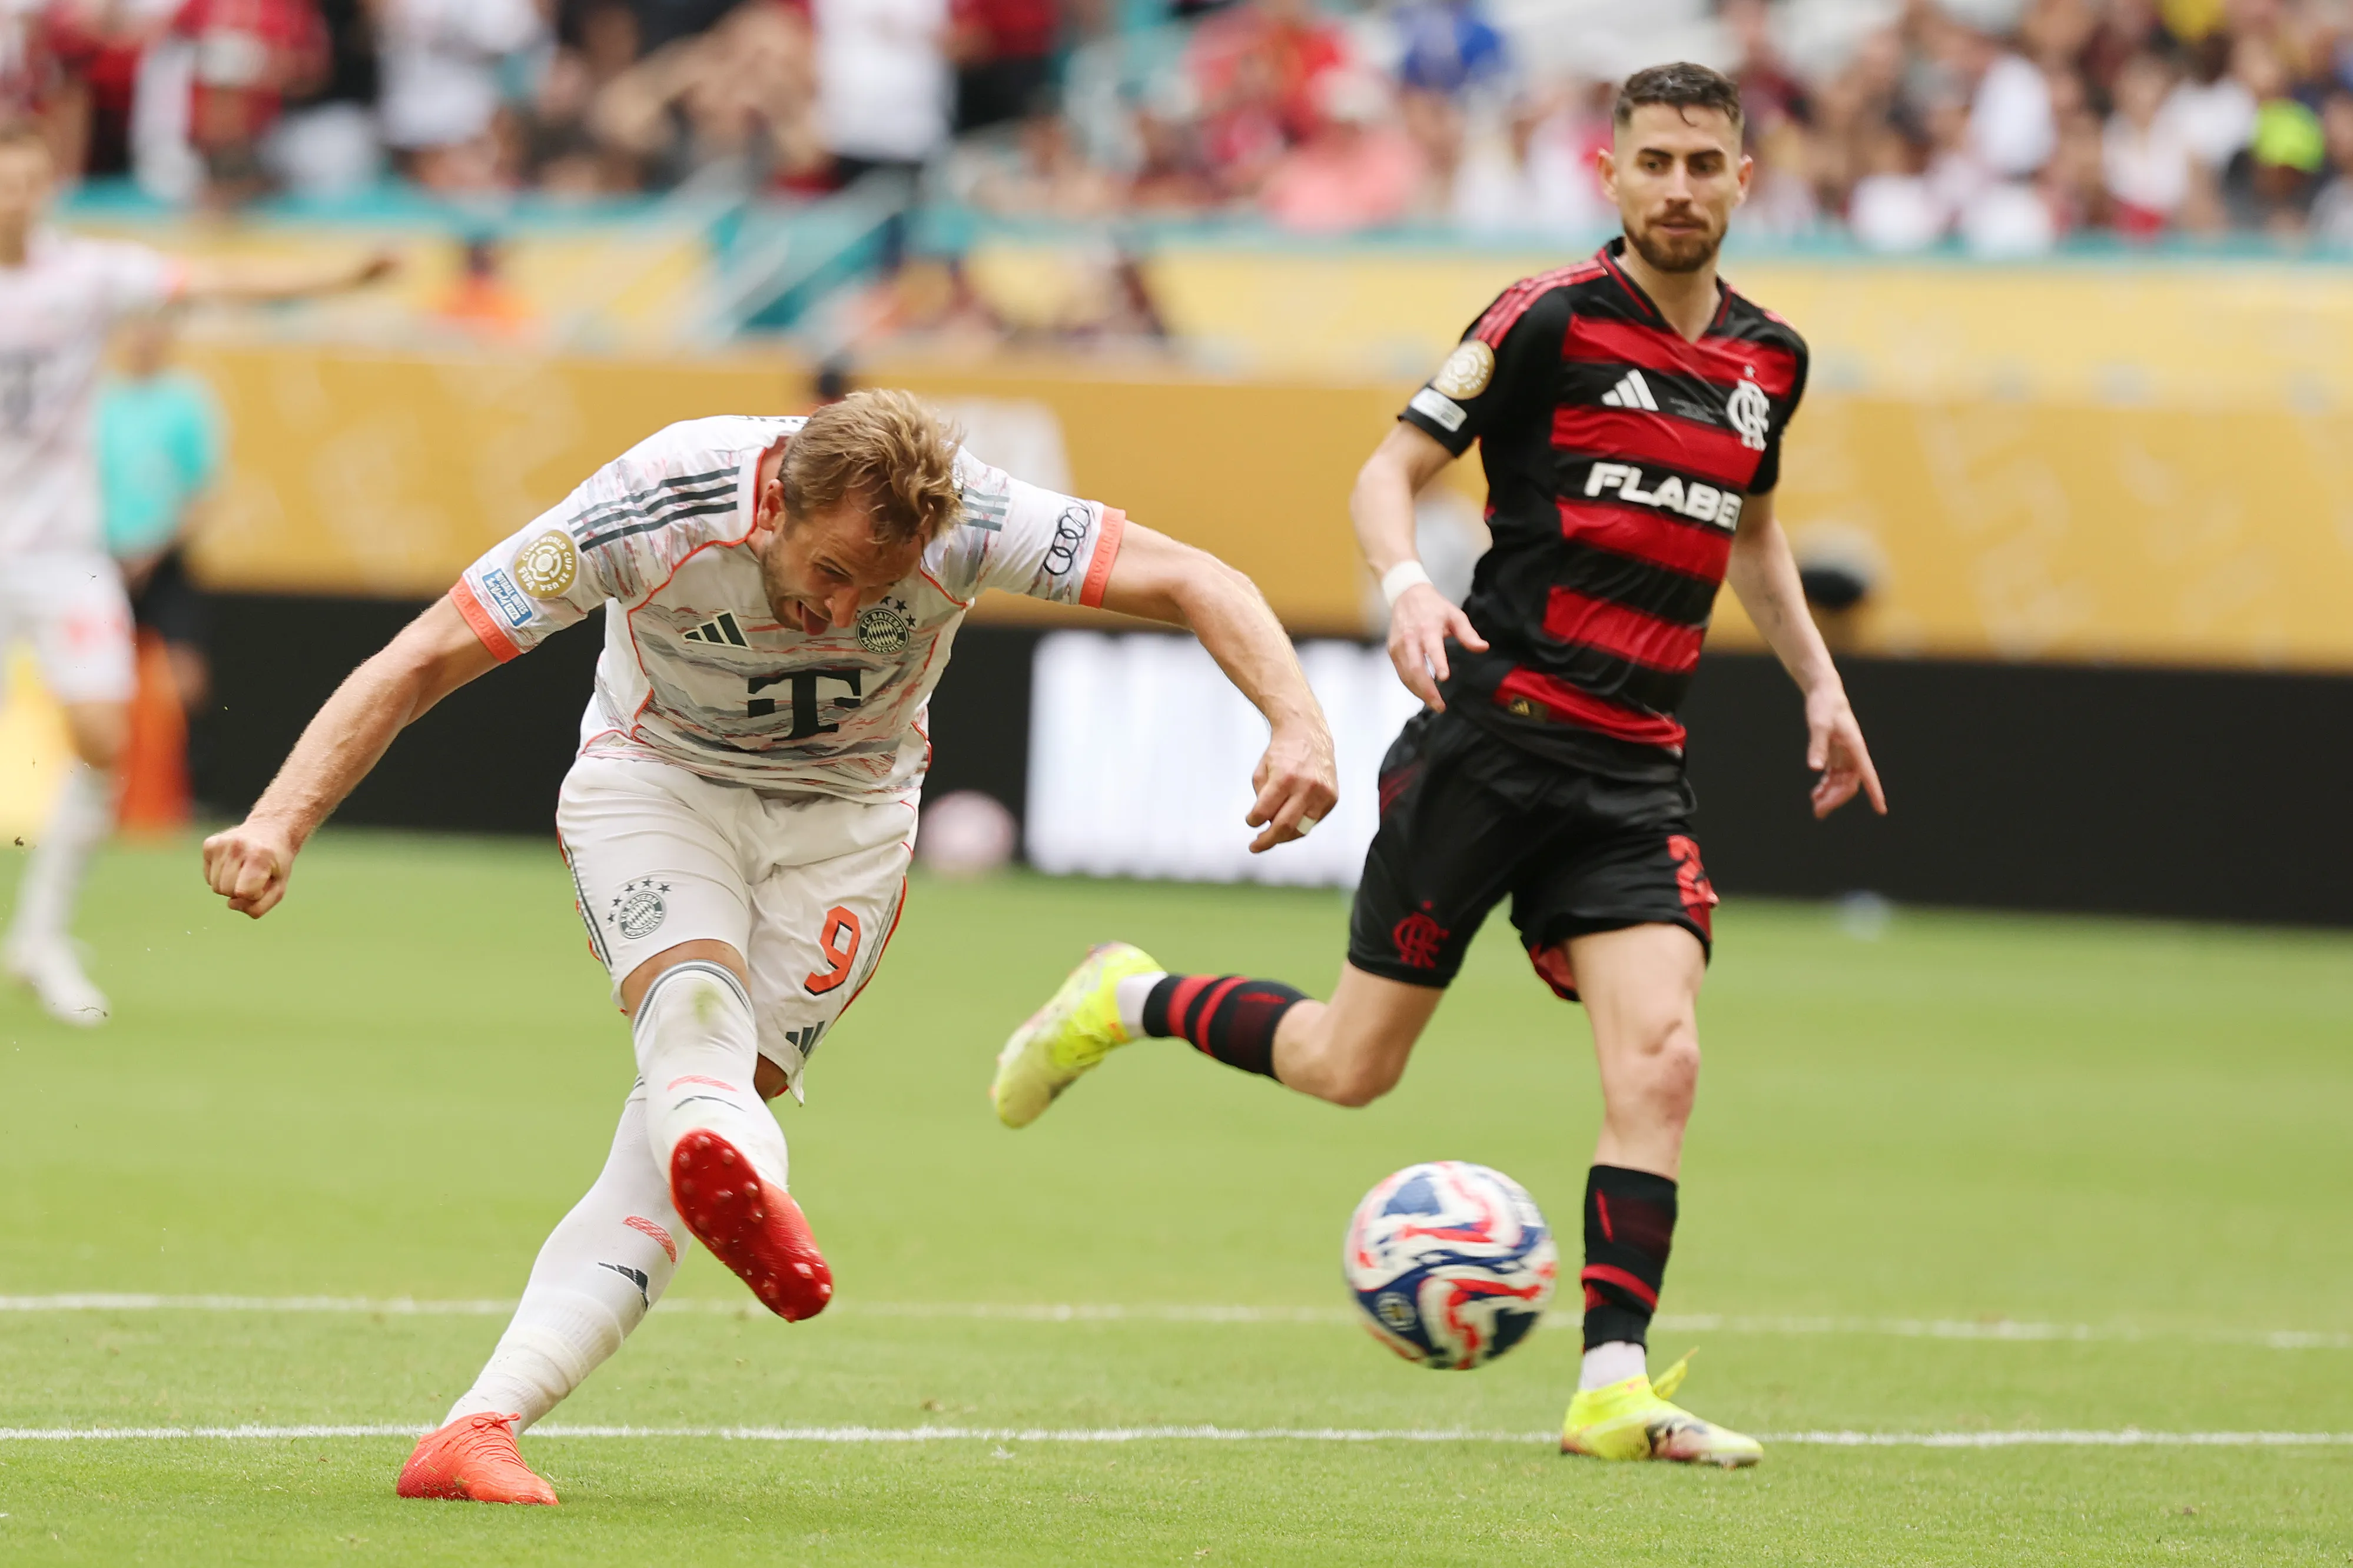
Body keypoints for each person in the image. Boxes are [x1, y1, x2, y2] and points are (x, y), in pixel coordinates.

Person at [198, 390, 1339, 1506]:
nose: (845, 612)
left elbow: (1200, 579)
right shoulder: (658, 498)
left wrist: (1297, 719)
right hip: (660, 784)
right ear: (777, 506)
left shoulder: (978, 520)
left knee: (693, 1119)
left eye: (879, 589)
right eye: (831, 573)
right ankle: (740, 1180)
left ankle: (476, 1427)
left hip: (849, 824)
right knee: (692, 1013)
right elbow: (423, 656)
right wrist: (279, 819)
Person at [990, 62, 1887, 1470]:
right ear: (1610, 172)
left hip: (1634, 774)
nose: (1677, 188)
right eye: (1654, 161)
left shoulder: (1770, 358)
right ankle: (1131, 994)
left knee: (1662, 1057)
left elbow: (1753, 535)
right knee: (1352, 1067)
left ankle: (1610, 1381)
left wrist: (1821, 687)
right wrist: (1409, 584)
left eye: (1703, 165)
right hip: (1489, 742)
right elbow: (1382, 471)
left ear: (1742, 180)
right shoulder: (1544, 318)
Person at [0, 121, 392, 1026]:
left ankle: (43, 936)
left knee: (102, 736)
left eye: (26, 182)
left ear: (47, 187)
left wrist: (341, 275)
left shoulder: (87, 276)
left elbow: (219, 281)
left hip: (63, 554)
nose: (14, 199)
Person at [98, 308, 225, 719]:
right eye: (134, 327)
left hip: (164, 560)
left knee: (184, 678)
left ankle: (190, 777)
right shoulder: (98, 401)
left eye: (152, 328)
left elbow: (203, 491)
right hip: (101, 560)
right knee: (97, 674)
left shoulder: (187, 402)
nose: (142, 338)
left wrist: (154, 550)